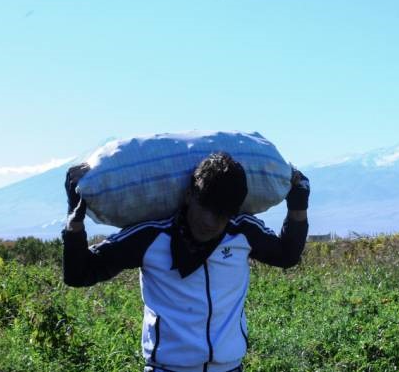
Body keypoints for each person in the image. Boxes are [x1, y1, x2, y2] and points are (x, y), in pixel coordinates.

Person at [62, 152, 310, 372]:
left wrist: (298, 205)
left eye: (223, 213)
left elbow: (286, 255)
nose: (212, 222)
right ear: (190, 194)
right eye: (207, 207)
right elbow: (80, 273)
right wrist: (74, 226)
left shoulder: (242, 232)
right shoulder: (151, 236)